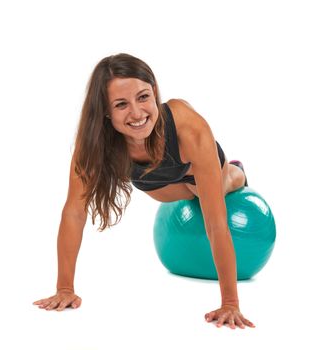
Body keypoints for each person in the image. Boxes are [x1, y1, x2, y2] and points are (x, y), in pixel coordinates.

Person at [33, 53, 255, 329]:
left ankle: (237, 170)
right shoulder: (93, 142)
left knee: (214, 191)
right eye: (121, 104)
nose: (137, 113)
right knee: (182, 194)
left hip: (196, 166)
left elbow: (215, 222)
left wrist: (230, 303)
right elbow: (75, 211)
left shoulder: (188, 126)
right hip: (154, 181)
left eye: (143, 97)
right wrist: (64, 287)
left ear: (155, 92)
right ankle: (193, 185)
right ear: (105, 110)